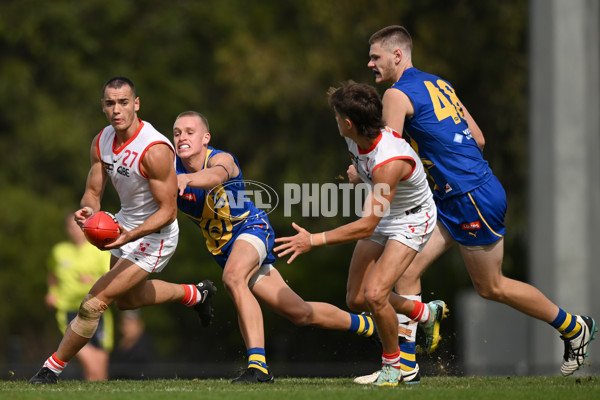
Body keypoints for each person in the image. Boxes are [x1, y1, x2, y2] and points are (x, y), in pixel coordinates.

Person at [360, 24, 597, 379]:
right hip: (457, 195)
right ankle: (405, 365)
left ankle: (574, 327)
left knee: (491, 286)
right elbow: (479, 139)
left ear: (397, 55)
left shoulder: (395, 95)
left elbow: (390, 155)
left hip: (469, 196)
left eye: (375, 56)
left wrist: (362, 171)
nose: (369, 64)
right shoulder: (439, 83)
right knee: (407, 269)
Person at [30, 77, 216, 384]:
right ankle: (196, 294)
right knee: (129, 301)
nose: (117, 109)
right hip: (123, 225)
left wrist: (129, 236)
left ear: (136, 104)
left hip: (156, 235)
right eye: (110, 103)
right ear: (103, 106)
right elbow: (93, 191)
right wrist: (88, 211)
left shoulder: (154, 149)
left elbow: (168, 212)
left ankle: (50, 369)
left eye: (124, 102)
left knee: (94, 303)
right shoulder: (101, 140)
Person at [173, 111, 380, 384]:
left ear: (205, 138)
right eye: (176, 133)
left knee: (234, 279)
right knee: (300, 313)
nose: (182, 137)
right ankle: (370, 325)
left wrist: (186, 180)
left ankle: (258, 367)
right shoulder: (169, 169)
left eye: (189, 131)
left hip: (251, 230)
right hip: (225, 250)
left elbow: (216, 176)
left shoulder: (220, 159)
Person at [274, 82, 447, 386]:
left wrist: (313, 239)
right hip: (385, 213)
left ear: (349, 122)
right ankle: (424, 312)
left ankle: (394, 369)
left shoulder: (388, 162)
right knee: (356, 299)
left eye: (337, 116)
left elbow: (367, 224)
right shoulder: (356, 138)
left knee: (376, 294)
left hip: (412, 220)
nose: (335, 120)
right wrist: (358, 173)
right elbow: (365, 171)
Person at [45, 215, 113, 381]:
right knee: (90, 364)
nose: (74, 230)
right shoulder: (59, 251)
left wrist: (93, 280)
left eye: (77, 226)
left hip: (97, 309)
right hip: (69, 310)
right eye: (70, 227)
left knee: (100, 369)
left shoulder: (99, 250)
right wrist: (52, 292)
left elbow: (112, 276)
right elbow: (52, 274)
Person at [110, 310, 155, 379]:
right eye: (124, 324)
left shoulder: (145, 345)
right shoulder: (120, 345)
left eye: (130, 323)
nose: (126, 328)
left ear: (140, 325)